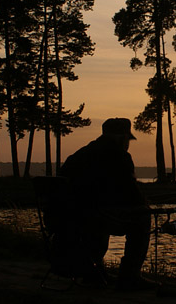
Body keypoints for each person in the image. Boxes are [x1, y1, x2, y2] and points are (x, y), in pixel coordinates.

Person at [59, 117, 156, 290]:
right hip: (96, 217)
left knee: (99, 216)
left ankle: (93, 271)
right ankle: (129, 276)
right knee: (143, 215)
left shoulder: (79, 155)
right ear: (121, 138)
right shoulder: (121, 157)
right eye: (127, 140)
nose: (128, 144)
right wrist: (144, 202)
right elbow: (133, 196)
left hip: (72, 218)